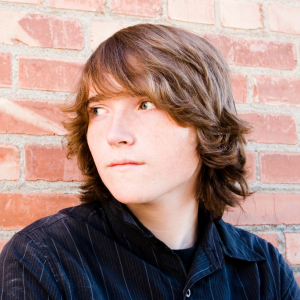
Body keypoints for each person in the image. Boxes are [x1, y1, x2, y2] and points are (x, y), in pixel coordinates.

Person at [0, 24, 299, 300]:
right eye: (98, 110)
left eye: (145, 104)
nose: (114, 135)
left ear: (207, 124)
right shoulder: (43, 261)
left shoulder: (263, 271)